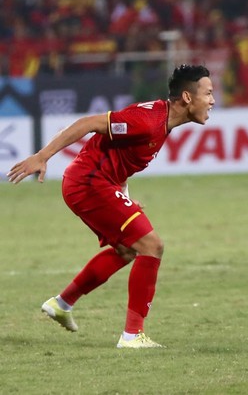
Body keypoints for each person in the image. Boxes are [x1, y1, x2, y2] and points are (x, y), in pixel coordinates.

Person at [7, 64, 215, 348]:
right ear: (188, 97)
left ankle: (62, 304)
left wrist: (124, 193)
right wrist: (42, 156)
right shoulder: (147, 121)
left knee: (129, 248)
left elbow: (119, 157)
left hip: (97, 184)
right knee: (152, 245)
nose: (213, 100)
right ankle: (132, 336)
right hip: (88, 183)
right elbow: (89, 124)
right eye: (208, 93)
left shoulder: (162, 121)